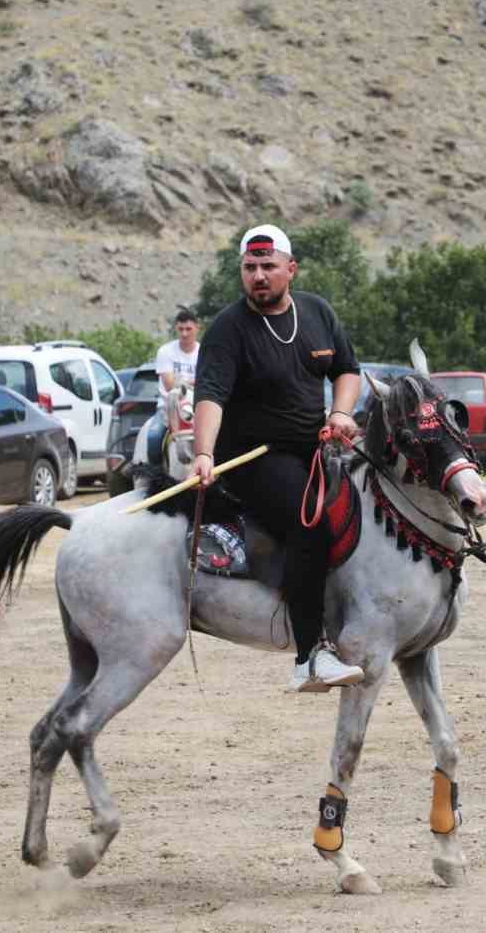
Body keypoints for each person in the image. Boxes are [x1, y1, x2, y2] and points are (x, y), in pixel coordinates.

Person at [191, 224, 364, 694]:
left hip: (314, 449)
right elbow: (210, 396)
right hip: (251, 458)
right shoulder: (227, 329)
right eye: (250, 267)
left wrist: (340, 412)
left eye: (268, 266)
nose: (259, 276)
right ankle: (311, 657)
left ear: (291, 269)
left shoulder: (317, 312)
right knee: (309, 521)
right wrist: (203, 453)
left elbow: (347, 369)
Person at [145, 307, 202, 470]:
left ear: (197, 328)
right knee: (154, 437)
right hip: (169, 408)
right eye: (180, 329)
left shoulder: (204, 352)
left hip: (199, 408)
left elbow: (207, 381)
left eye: (188, 329)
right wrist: (195, 381)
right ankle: (155, 475)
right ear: (176, 328)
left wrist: (183, 381)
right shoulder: (165, 351)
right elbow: (170, 385)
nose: (184, 333)